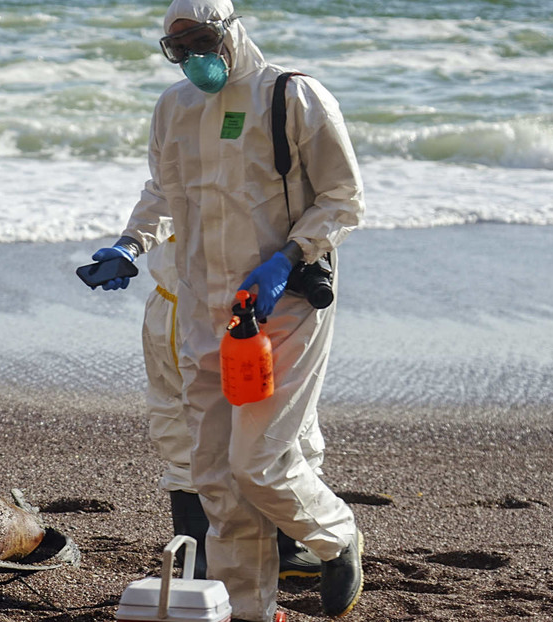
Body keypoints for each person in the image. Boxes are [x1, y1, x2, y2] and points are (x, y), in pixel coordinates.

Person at [89, 1, 365, 619]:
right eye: (177, 47)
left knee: (259, 463)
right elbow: (162, 193)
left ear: (230, 29)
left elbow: (344, 199)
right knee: (216, 475)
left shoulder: (292, 97)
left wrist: (287, 258)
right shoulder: (174, 108)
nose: (193, 57)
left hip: (284, 305)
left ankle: (336, 535)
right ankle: (249, 611)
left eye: (200, 40)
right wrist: (128, 246)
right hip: (201, 309)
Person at [141, 237, 322, 582]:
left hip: (258, 301)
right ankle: (205, 557)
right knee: (188, 428)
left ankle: (278, 547)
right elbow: (161, 198)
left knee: (285, 419)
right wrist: (131, 242)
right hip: (193, 304)